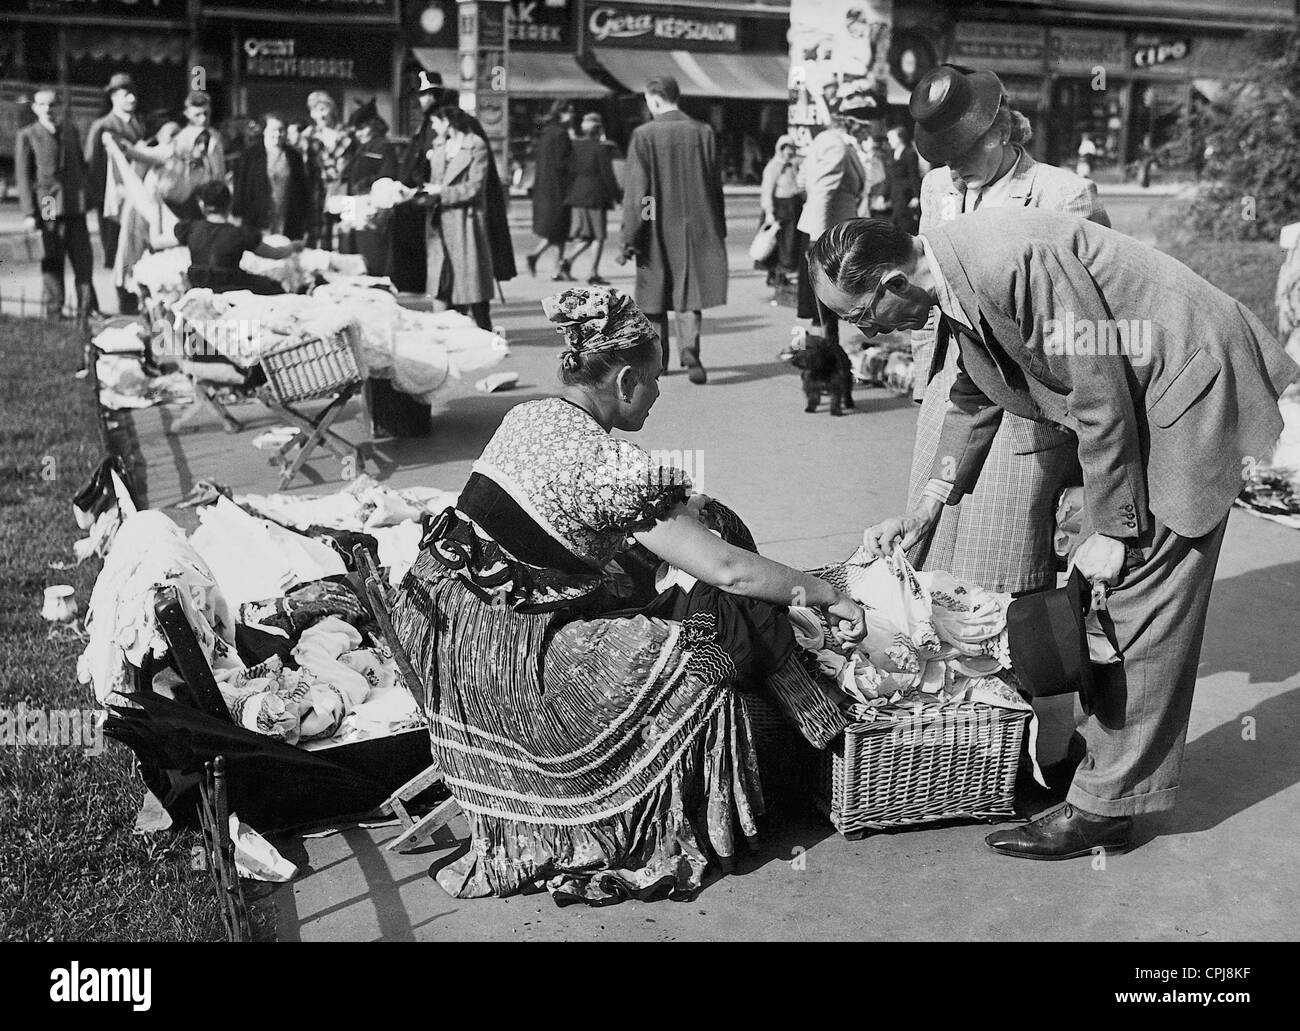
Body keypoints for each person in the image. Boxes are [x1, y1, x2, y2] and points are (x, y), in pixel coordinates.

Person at [808, 213, 1299, 860]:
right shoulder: (954, 276)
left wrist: (1115, 530)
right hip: (1137, 394)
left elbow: (1098, 394)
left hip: (1186, 391)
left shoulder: (1007, 264)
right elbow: (974, 391)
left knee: (1139, 599)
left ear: (894, 282)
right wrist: (928, 507)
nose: (869, 333)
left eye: (865, 318)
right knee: (1099, 608)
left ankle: (1104, 810)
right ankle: (1108, 775)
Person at [390, 285, 866, 903]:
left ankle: (805, 705)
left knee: (707, 565)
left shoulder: (529, 416)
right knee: (705, 648)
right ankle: (809, 725)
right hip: (509, 666)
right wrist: (827, 593)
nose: (660, 394)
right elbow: (728, 570)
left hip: (444, 636)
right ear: (621, 381)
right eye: (653, 380)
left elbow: (561, 530)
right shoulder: (612, 466)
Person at [906, 65, 1111, 598]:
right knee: (931, 532)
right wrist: (922, 369)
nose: (954, 169)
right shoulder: (936, 187)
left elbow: (1092, 328)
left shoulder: (1063, 195)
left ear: (1001, 130)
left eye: (964, 151)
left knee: (1002, 551)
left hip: (1026, 399)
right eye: (943, 155)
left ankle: (1010, 668)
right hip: (954, 388)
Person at [619, 76, 728, 384]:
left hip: (654, 227)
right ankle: (690, 350)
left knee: (652, 296)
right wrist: (717, 227)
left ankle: (659, 360)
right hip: (696, 226)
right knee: (689, 292)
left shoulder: (643, 135)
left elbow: (637, 194)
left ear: (654, 99)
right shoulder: (703, 132)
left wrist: (630, 235)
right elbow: (714, 185)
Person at [794, 85, 881, 360]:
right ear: (855, 122)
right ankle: (831, 364)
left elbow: (802, 182)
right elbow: (822, 193)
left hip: (821, 231)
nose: (872, 130)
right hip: (827, 237)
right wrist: (819, 242)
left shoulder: (825, 140)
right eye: (868, 123)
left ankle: (820, 358)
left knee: (822, 308)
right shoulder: (837, 147)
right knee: (831, 304)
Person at [17, 88, 97, 322]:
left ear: (60, 106)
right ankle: (55, 310)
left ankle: (86, 308)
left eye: (52, 105)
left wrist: (86, 197)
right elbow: (23, 177)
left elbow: (81, 166)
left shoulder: (70, 131)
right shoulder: (28, 134)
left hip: (74, 203)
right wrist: (29, 213)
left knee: (83, 257)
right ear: (35, 108)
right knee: (52, 256)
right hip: (48, 203)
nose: (48, 110)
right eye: (42, 105)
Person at [151, 181, 303, 294]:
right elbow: (275, 254)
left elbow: (156, 242)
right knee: (275, 287)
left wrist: (156, 206)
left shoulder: (191, 229)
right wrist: (293, 247)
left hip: (199, 286)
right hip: (232, 287)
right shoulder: (240, 234)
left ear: (203, 205)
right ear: (229, 205)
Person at [424, 105, 496, 330]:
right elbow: (436, 178)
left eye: (436, 122)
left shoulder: (475, 146)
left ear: (447, 122)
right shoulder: (438, 146)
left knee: (471, 281)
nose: (433, 127)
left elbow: (475, 187)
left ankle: (484, 330)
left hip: (466, 221)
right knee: (443, 277)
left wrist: (442, 193)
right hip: (440, 219)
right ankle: (447, 330)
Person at [85, 73, 147, 315]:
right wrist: (100, 200)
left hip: (138, 198)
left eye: (132, 93)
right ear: (113, 97)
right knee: (117, 251)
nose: (131, 98)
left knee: (138, 248)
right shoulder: (103, 126)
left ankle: (137, 302)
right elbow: (92, 165)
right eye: (124, 94)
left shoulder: (138, 124)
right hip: (113, 201)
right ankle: (126, 305)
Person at [563, 112, 622, 286]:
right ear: (598, 130)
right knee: (598, 236)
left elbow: (569, 171)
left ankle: (566, 261)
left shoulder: (575, 147)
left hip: (577, 195)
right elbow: (607, 175)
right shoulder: (600, 148)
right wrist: (617, 197)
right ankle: (593, 273)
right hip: (595, 196)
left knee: (586, 236)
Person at [233, 112, 310, 240]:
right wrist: (237, 214)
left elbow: (302, 189)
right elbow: (240, 186)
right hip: (258, 217)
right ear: (264, 131)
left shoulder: (294, 156)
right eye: (273, 130)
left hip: (286, 216)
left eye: (282, 130)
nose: (278, 134)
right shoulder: (249, 155)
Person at [341, 109, 399, 277]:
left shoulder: (383, 146)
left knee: (372, 260)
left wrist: (373, 209)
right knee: (351, 257)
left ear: (373, 125)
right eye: (356, 130)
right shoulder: (359, 147)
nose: (359, 133)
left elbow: (386, 180)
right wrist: (346, 216)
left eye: (362, 128)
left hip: (370, 211)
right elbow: (348, 183)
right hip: (353, 208)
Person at [298, 91, 355, 249]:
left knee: (345, 236)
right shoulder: (307, 137)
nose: (320, 115)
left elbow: (353, 170)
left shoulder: (347, 134)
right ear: (311, 113)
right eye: (316, 110)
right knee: (317, 240)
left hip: (344, 192)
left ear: (332, 110)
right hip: (317, 193)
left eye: (324, 109)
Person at [158, 90, 226, 221]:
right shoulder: (182, 140)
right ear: (187, 114)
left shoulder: (215, 136)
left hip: (216, 197)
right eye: (197, 115)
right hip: (191, 201)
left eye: (206, 113)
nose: (203, 119)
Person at [526, 99, 574, 280]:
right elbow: (563, 163)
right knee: (557, 229)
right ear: (562, 113)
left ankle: (557, 268)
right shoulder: (561, 134)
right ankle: (535, 256)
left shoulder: (547, 133)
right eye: (570, 111)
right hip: (558, 188)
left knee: (560, 229)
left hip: (545, 187)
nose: (572, 115)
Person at [759, 134, 804, 287]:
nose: (788, 152)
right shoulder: (773, 166)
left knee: (789, 244)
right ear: (780, 150)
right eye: (785, 149)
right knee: (776, 243)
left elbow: (799, 185)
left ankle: (782, 273)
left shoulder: (794, 166)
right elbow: (767, 190)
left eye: (791, 149)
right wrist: (769, 211)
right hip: (779, 208)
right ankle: (775, 274)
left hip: (792, 208)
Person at [884, 125, 921, 234]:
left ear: (900, 138)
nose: (889, 141)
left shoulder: (910, 154)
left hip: (906, 193)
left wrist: (916, 196)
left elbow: (914, 175)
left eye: (891, 138)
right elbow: (889, 177)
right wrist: (883, 195)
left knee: (904, 223)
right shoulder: (891, 154)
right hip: (894, 194)